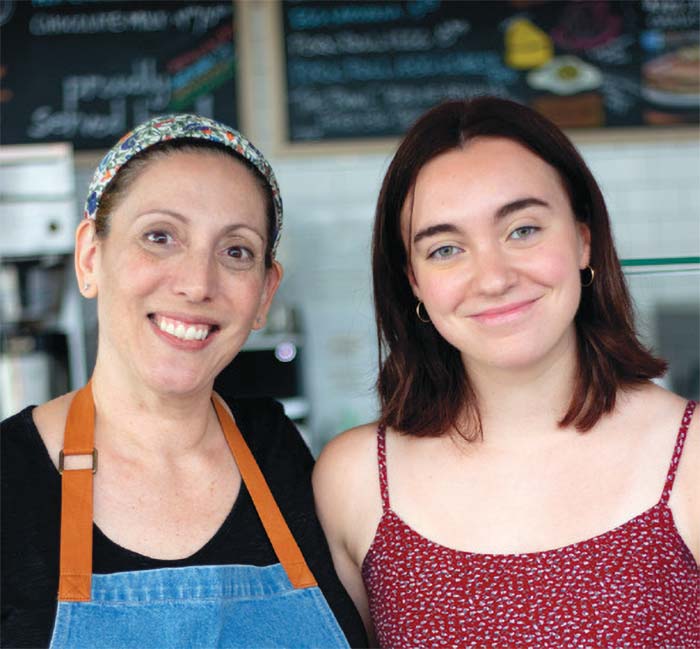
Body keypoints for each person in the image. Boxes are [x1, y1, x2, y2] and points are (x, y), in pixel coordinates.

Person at [313, 97, 699, 647]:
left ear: (584, 239)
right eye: (446, 249)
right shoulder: (353, 480)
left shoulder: (691, 455)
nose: (492, 278)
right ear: (415, 283)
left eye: (522, 230)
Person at [1, 114, 367, 649]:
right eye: (159, 236)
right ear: (89, 258)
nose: (198, 283)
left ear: (265, 293)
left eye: (236, 250)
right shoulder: (9, 476)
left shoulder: (281, 451)